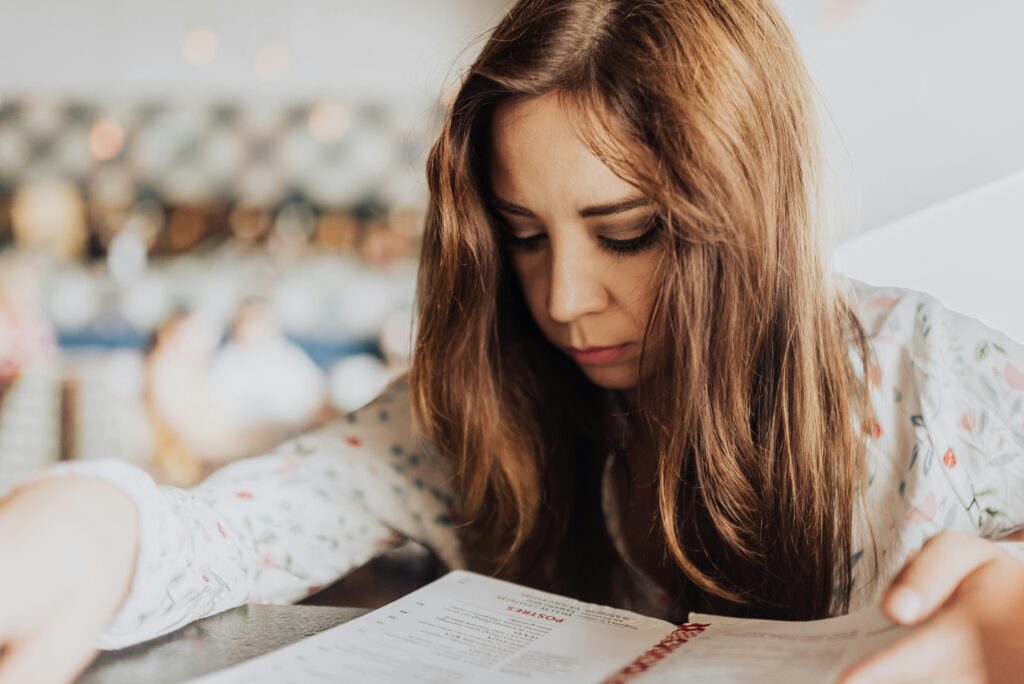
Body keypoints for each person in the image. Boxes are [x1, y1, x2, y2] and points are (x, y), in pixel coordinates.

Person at [1, 1, 1023, 682]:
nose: (566, 299)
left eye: (627, 234)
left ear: (747, 215)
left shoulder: (935, 376)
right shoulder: (486, 404)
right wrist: (97, 523)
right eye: (523, 237)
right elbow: (241, 523)